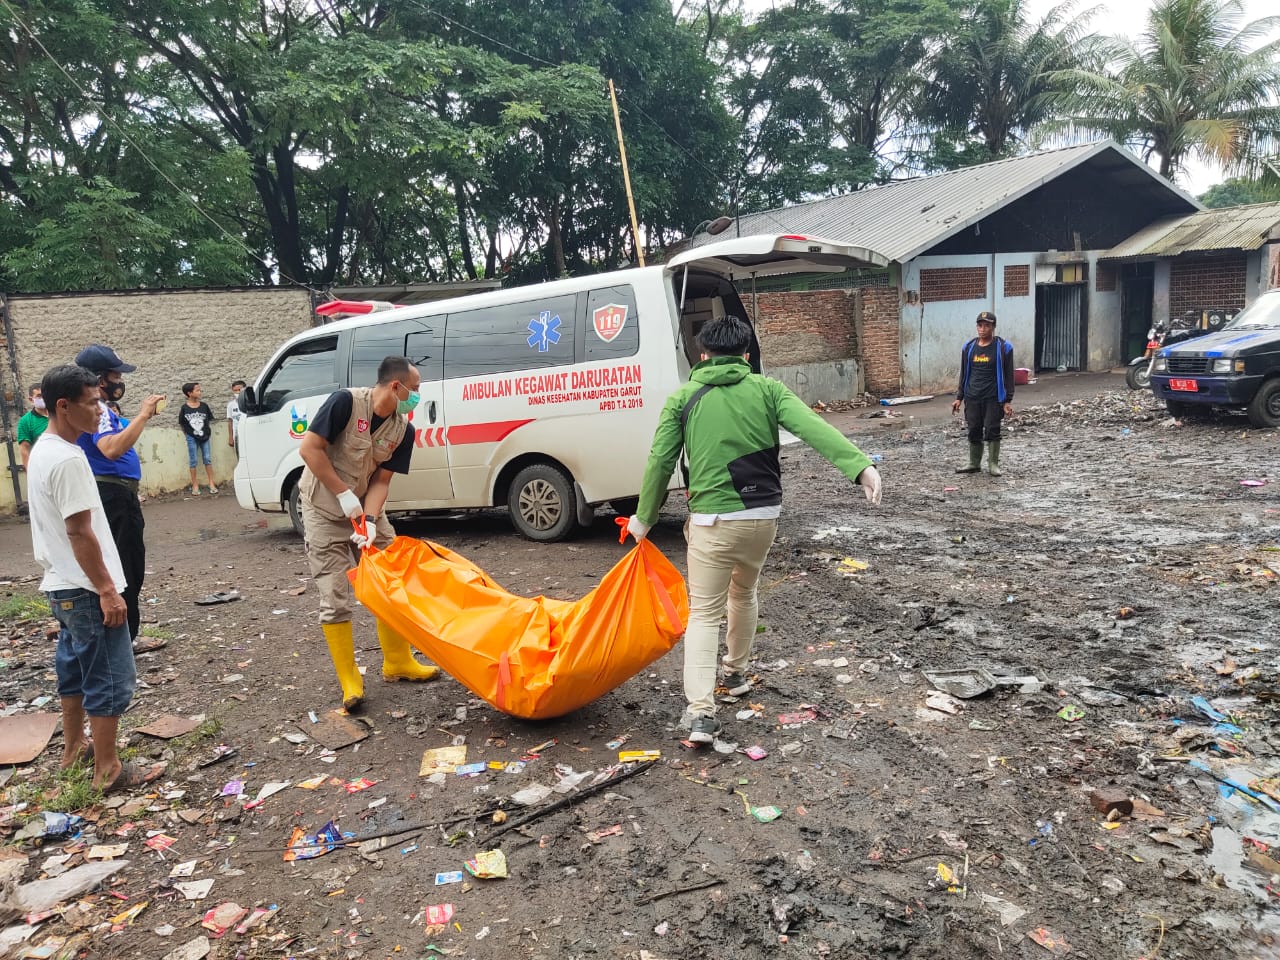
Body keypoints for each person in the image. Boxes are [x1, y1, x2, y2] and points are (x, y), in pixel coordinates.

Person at [625, 316, 883, 745]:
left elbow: (660, 462)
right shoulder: (769, 390)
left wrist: (644, 518)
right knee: (743, 593)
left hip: (712, 522)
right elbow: (815, 428)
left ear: (702, 355)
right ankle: (737, 674)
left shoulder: (683, 399)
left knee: (705, 612)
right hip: (763, 517)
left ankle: (701, 713)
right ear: (746, 355)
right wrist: (861, 468)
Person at [27, 364, 149, 793]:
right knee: (110, 677)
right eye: (93, 401)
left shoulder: (44, 450)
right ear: (64, 406)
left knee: (74, 670)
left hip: (61, 584)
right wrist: (107, 589)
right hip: (84, 588)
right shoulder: (67, 460)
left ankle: (74, 748)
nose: (102, 409)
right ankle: (107, 768)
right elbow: (80, 531)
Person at [298, 355, 440, 711]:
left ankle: (397, 661)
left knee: (392, 580)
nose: (417, 396)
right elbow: (310, 449)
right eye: (415, 388)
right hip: (323, 509)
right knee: (334, 595)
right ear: (396, 386)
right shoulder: (344, 403)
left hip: (365, 510)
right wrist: (343, 494)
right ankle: (350, 681)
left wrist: (372, 519)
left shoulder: (403, 429)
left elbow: (382, 480)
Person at [74, 344, 165, 650]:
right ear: (100, 379)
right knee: (127, 567)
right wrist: (144, 415)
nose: (118, 381)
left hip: (117, 492)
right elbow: (111, 448)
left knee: (125, 564)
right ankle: (124, 641)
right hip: (112, 493)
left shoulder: (100, 408)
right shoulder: (97, 409)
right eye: (115, 375)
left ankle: (124, 638)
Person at [951, 310, 1015, 477]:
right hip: (972, 396)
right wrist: (959, 397)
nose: (983, 329)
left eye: (987, 325)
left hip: (993, 397)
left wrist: (1007, 400)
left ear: (993, 327)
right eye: (980, 325)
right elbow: (964, 373)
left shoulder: (1003, 347)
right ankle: (974, 463)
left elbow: (1009, 375)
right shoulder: (969, 347)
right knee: (973, 429)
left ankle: (993, 464)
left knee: (992, 429)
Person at [178, 381, 217, 495]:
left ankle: (211, 483)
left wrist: (206, 433)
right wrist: (188, 435)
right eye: (197, 390)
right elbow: (182, 423)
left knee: (207, 459)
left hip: (205, 437)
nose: (200, 392)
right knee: (193, 461)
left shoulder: (204, 406)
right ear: (189, 393)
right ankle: (195, 485)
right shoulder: (184, 408)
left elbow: (208, 420)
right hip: (191, 437)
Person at [16, 383, 49, 471]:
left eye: (46, 395)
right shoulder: (26, 421)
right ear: (31, 399)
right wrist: (30, 474)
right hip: (43, 467)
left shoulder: (58, 414)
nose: (43, 398)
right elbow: (25, 450)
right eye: (39, 396)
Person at [227, 379, 246, 449]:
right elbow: (230, 421)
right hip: (237, 436)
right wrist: (230, 437)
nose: (238, 392)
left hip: (248, 433)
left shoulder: (250, 403)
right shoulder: (231, 405)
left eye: (240, 389)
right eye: (235, 390)